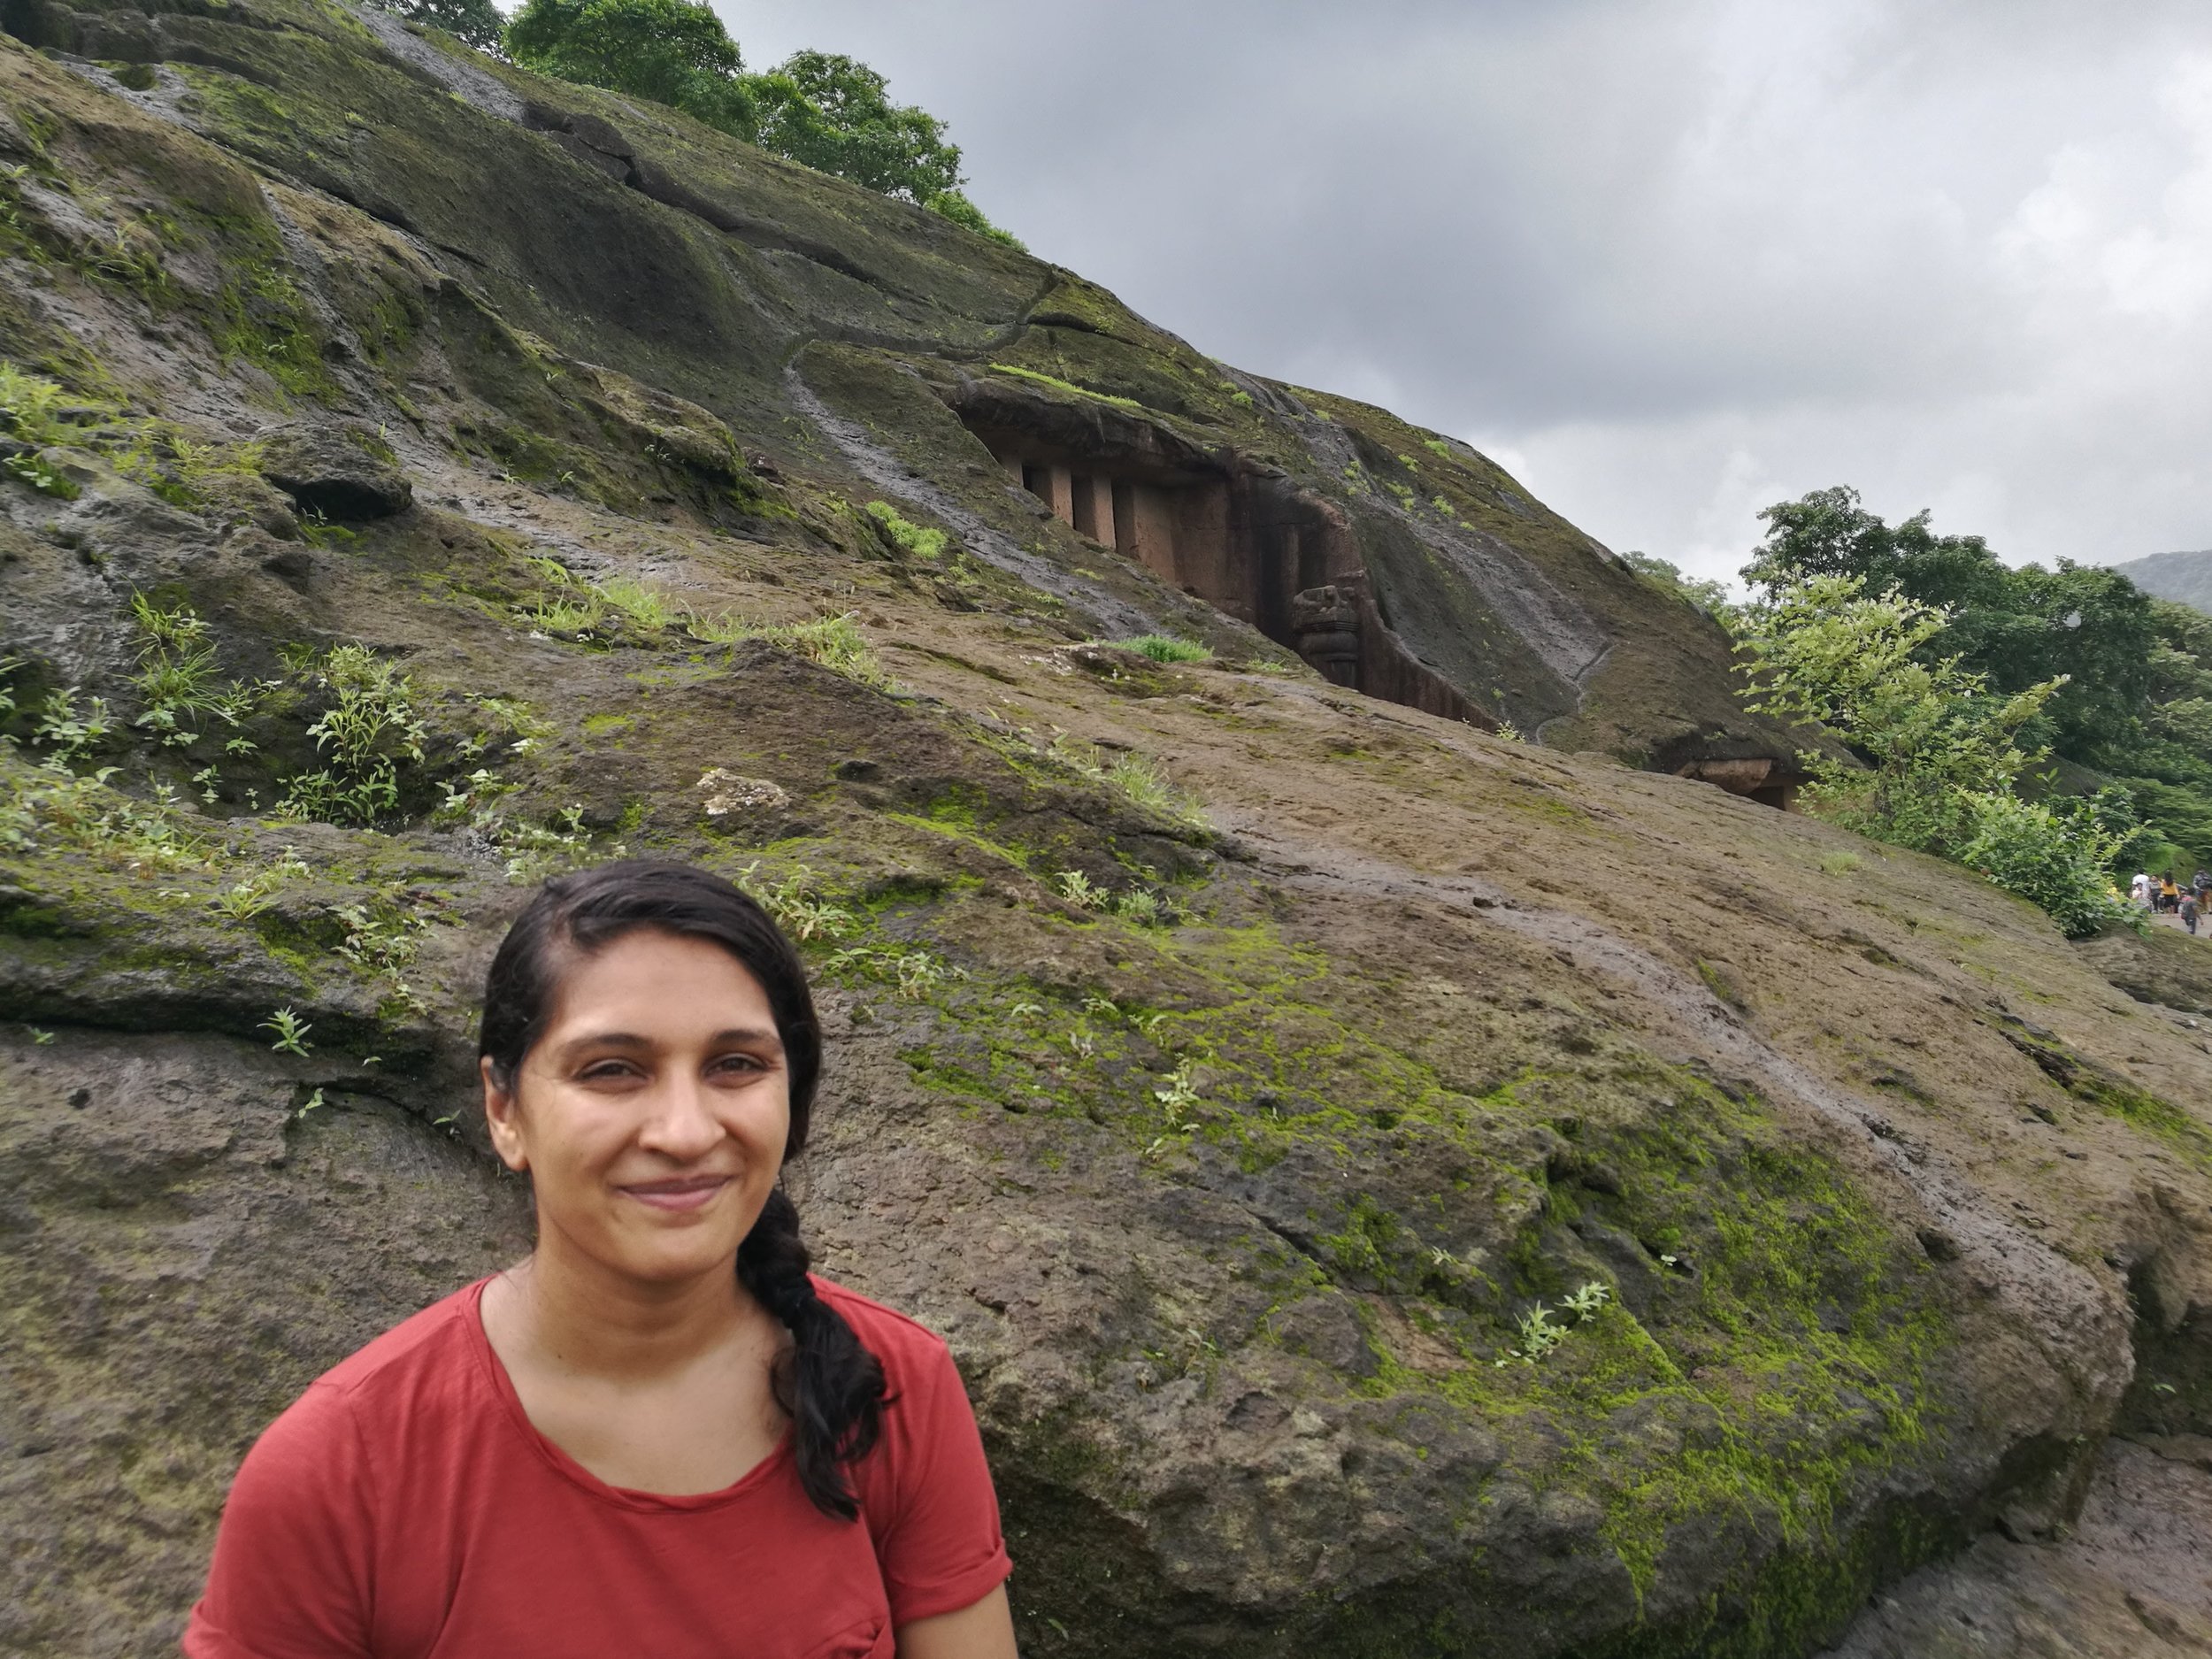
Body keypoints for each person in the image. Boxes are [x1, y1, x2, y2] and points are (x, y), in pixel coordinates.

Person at [186, 861, 1018, 1658]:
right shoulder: (340, 1472)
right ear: (504, 1109)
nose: (686, 1132)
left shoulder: (890, 1384)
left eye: (736, 1064)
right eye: (613, 1070)